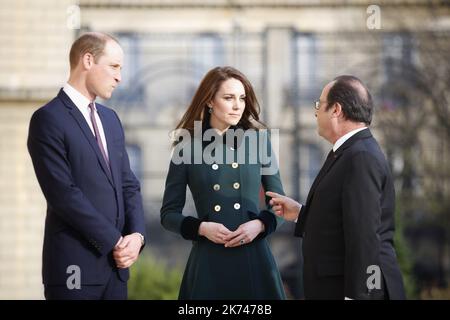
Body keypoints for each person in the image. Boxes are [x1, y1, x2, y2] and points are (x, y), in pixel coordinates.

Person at [27, 32, 146, 300]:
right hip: (74, 269)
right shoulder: (48, 119)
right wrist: (115, 241)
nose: (120, 77)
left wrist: (137, 236)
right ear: (88, 60)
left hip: (116, 272)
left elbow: (128, 184)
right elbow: (63, 195)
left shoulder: (111, 119)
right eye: (114, 67)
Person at [267, 75, 406, 300]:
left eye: (319, 104)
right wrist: (301, 214)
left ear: (336, 110)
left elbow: (365, 237)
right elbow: (344, 221)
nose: (315, 112)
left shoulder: (360, 156)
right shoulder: (348, 152)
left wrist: (359, 295)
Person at [160, 66, 286, 299]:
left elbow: (279, 205)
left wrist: (258, 226)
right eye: (229, 98)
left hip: (254, 256)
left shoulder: (259, 141)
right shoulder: (186, 147)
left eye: (242, 98)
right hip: (209, 259)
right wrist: (201, 228)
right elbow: (168, 214)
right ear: (209, 101)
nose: (238, 105)